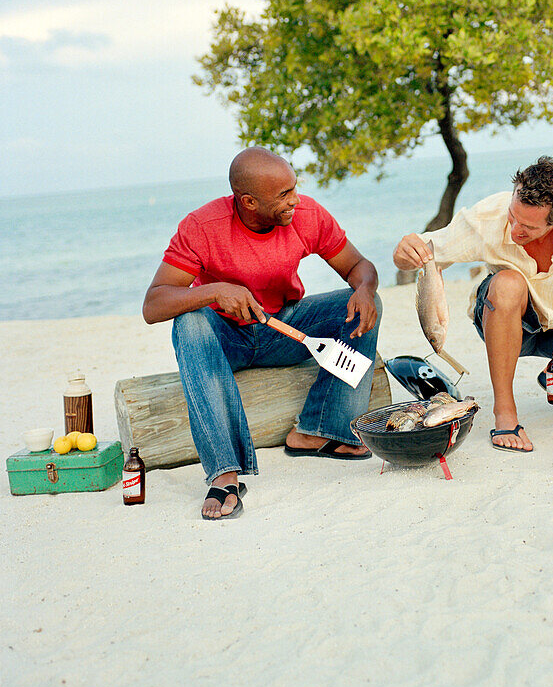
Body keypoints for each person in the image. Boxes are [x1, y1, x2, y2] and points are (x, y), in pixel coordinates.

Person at [143, 147, 381, 520]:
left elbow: (358, 266)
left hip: (285, 330)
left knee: (363, 303)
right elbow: (153, 305)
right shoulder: (202, 227)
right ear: (249, 201)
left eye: (294, 188)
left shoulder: (305, 215)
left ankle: (320, 431)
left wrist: (365, 289)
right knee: (189, 321)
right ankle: (225, 473)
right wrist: (214, 290)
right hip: (228, 340)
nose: (295, 200)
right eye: (284, 195)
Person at [393, 156, 553, 453]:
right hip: (512, 324)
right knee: (508, 283)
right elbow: (428, 251)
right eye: (513, 217)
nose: (514, 230)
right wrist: (404, 252)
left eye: (528, 227)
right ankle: (505, 410)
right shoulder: (489, 216)